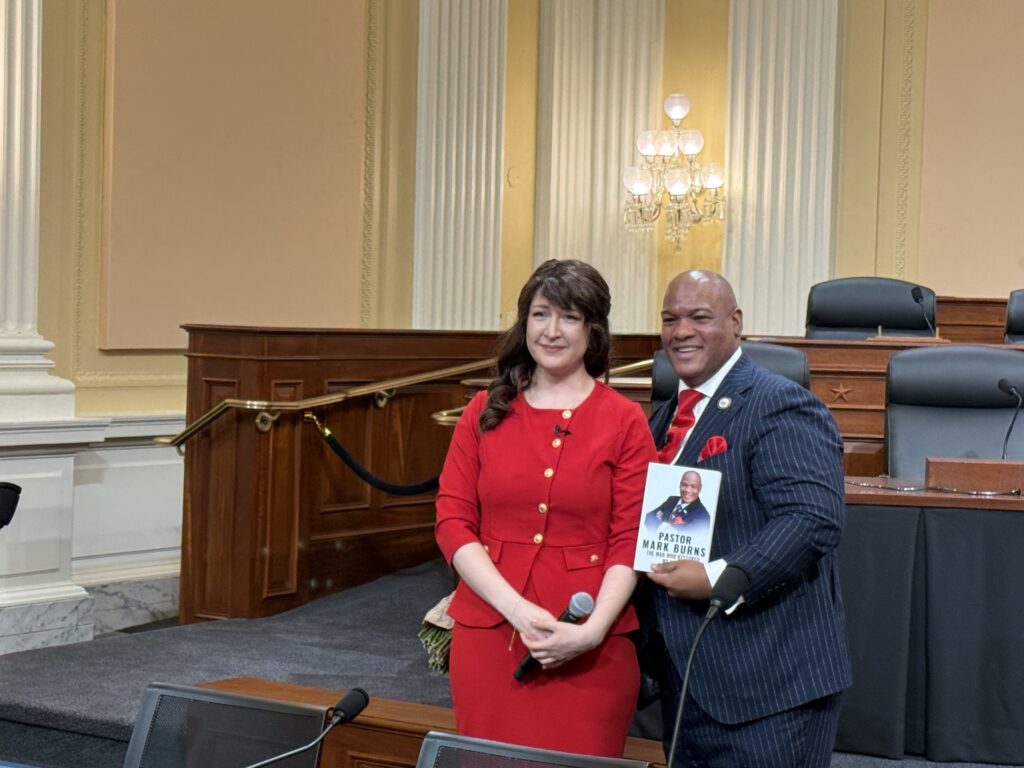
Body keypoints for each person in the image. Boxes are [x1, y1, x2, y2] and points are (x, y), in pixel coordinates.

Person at [434, 259, 657, 757]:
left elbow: (631, 538)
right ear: (524, 322)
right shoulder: (482, 411)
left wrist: (592, 631)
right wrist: (515, 608)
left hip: (590, 645)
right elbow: (452, 522)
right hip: (489, 633)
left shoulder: (625, 420)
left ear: (592, 330)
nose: (552, 331)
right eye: (541, 314)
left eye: (569, 317)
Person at [641, 270, 851, 767]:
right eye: (670, 319)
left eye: (699, 317)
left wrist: (719, 577)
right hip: (687, 679)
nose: (681, 331)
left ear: (735, 322)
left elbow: (811, 518)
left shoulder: (779, 403)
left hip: (768, 685)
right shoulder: (663, 417)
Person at [644, 470, 710, 533]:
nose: (687, 490)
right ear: (680, 484)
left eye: (693, 486)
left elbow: (689, 537)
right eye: (684, 485)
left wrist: (660, 521)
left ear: (700, 488)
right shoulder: (671, 500)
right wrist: (665, 528)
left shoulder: (703, 517)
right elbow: (649, 517)